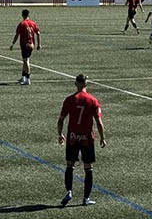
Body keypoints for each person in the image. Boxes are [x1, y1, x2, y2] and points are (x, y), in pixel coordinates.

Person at [57, 74, 106, 207]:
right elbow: (99, 122)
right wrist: (102, 137)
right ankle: (86, 198)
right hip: (87, 137)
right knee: (88, 167)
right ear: (86, 84)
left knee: (70, 164)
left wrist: (60, 134)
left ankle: (69, 191)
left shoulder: (69, 99)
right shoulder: (93, 100)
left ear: (76, 84)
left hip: (73, 136)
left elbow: (61, 120)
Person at [9, 9, 41, 85]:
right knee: (24, 61)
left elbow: (17, 35)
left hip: (25, 45)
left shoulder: (22, 24)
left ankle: (28, 79)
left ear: (22, 15)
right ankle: (23, 77)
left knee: (26, 61)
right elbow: (38, 33)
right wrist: (39, 44)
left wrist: (12, 44)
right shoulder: (33, 23)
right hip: (31, 45)